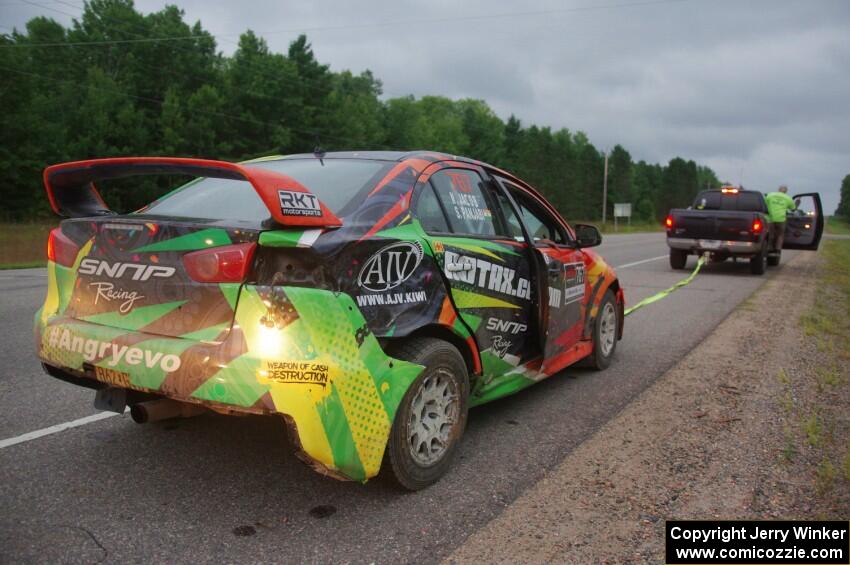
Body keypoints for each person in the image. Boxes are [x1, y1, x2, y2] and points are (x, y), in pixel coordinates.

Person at [765, 185, 796, 252]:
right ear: (786, 191)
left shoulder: (770, 195)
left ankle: (769, 247)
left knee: (770, 233)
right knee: (780, 234)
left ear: (778, 189)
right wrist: (798, 202)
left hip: (770, 218)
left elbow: (764, 204)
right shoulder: (788, 198)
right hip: (781, 219)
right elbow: (793, 209)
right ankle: (778, 248)